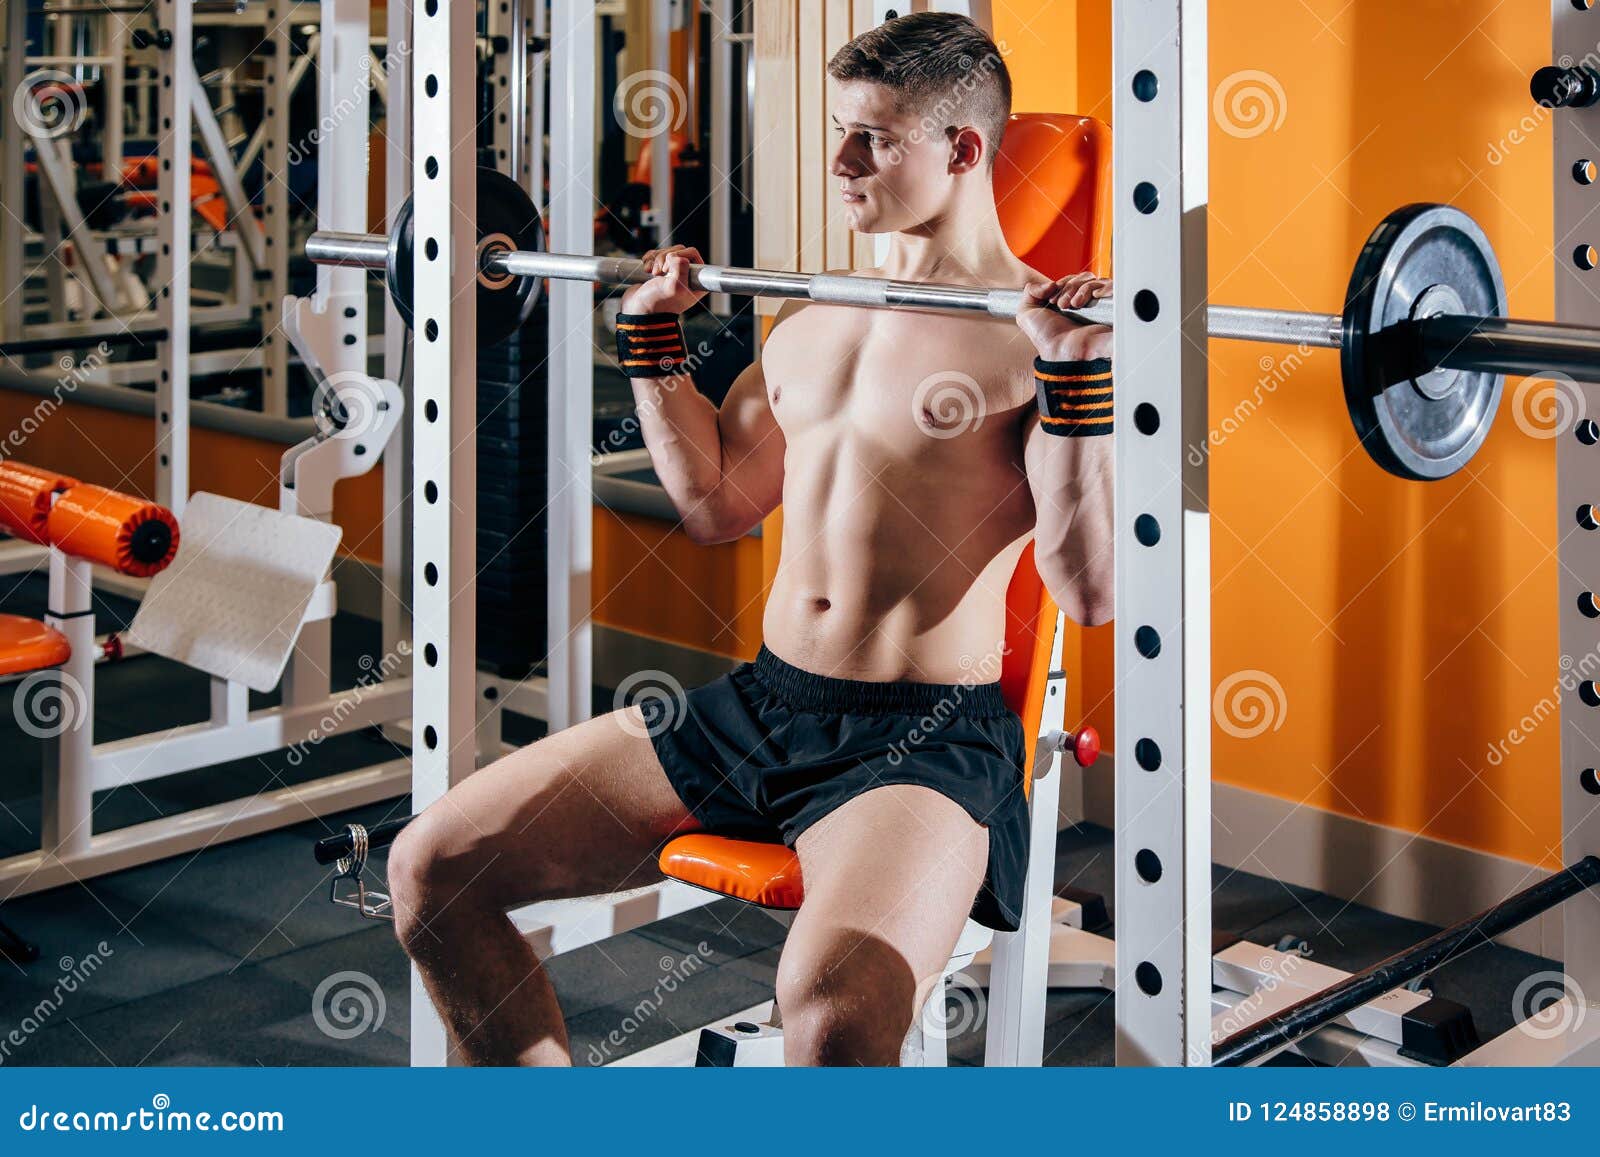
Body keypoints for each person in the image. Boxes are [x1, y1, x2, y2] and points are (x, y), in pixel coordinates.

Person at [386, 10, 1114, 1066]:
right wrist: (650, 344)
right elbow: (719, 503)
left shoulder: (1035, 339)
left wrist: (1080, 384)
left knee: (829, 1016)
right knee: (431, 868)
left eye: (872, 137)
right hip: (760, 701)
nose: (839, 161)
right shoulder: (810, 318)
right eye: (838, 130)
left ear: (962, 150)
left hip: (917, 739)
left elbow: (1086, 588)